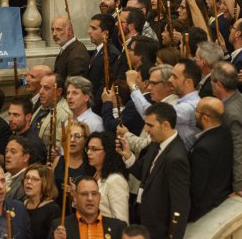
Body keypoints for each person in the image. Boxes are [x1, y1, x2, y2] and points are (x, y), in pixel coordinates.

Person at [118, 103, 190, 238]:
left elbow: (179, 206)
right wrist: (128, 155)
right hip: (142, 221)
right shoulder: (155, 143)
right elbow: (145, 174)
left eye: (150, 125)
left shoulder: (176, 158)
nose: (146, 129)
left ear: (165, 125)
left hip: (158, 231)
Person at [211, 62, 242, 197]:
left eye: (211, 80)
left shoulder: (231, 113)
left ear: (219, 85)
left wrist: (240, 183)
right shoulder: (238, 96)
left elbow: (239, 146)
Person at [189, 97, 233, 221]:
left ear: (205, 118)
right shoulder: (225, 131)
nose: (194, 114)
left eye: (196, 111)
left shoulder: (202, 149)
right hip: (221, 196)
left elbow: (196, 187)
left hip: (204, 208)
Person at [49, 176, 126, 239]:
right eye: (84, 194)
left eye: (94, 193)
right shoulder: (60, 226)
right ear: (75, 198)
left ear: (99, 197)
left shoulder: (118, 227)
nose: (90, 198)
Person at [85, 131, 129, 223]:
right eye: (88, 149)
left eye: (94, 149)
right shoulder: (96, 174)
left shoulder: (116, 180)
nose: (88, 152)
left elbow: (121, 221)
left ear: (108, 152)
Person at [51, 121, 89, 209]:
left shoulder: (90, 163)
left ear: (86, 140)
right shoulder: (58, 160)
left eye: (77, 136)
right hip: (58, 211)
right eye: (69, 136)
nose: (72, 140)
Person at [168, 59, 202, 150]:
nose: (170, 80)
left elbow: (153, 115)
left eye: (175, 77)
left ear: (188, 82)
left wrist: (133, 88)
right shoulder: (183, 101)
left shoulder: (189, 107)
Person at [23, 164, 60, 239]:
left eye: (35, 179)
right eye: (27, 178)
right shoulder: (20, 204)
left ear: (45, 183)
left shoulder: (53, 210)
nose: (29, 182)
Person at [7, 96, 47, 164]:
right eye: (9, 114)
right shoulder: (12, 136)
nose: (10, 119)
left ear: (28, 117)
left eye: (16, 115)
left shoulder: (34, 144)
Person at [52, 16, 90, 81]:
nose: (54, 34)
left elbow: (74, 85)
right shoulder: (68, 48)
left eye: (58, 29)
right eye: (52, 29)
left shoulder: (77, 54)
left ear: (69, 31)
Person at [4, 136, 33, 201]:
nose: (7, 155)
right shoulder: (4, 176)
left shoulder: (27, 182)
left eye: (13, 152)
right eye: (6, 151)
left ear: (25, 158)